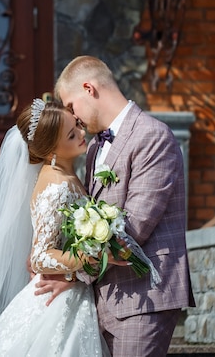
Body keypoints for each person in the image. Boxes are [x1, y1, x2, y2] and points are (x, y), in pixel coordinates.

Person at [35, 56, 195, 357]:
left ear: (89, 88)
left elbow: (132, 228)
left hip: (143, 296)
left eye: (71, 107)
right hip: (103, 296)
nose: (74, 119)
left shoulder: (152, 136)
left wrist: (72, 275)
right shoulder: (95, 146)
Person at [0, 98, 111, 357]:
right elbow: (40, 256)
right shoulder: (56, 188)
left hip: (70, 290)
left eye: (77, 126)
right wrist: (91, 259)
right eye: (72, 135)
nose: (82, 134)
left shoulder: (67, 174)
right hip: (55, 299)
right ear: (52, 150)